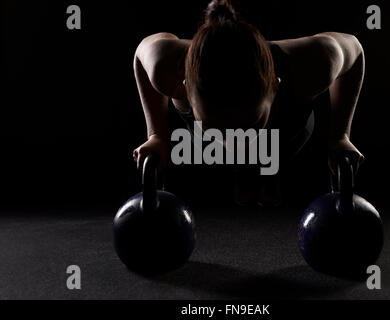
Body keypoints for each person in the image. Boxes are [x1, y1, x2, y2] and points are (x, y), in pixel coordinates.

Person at [132, 0, 365, 206]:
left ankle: (262, 171)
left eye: (247, 126)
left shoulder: (313, 63)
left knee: (266, 154)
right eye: (215, 127)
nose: (234, 140)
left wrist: (340, 137)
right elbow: (140, 56)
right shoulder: (166, 64)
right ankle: (248, 169)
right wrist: (157, 135)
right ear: (184, 87)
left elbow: (355, 53)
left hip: (287, 134)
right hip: (220, 139)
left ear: (275, 85)